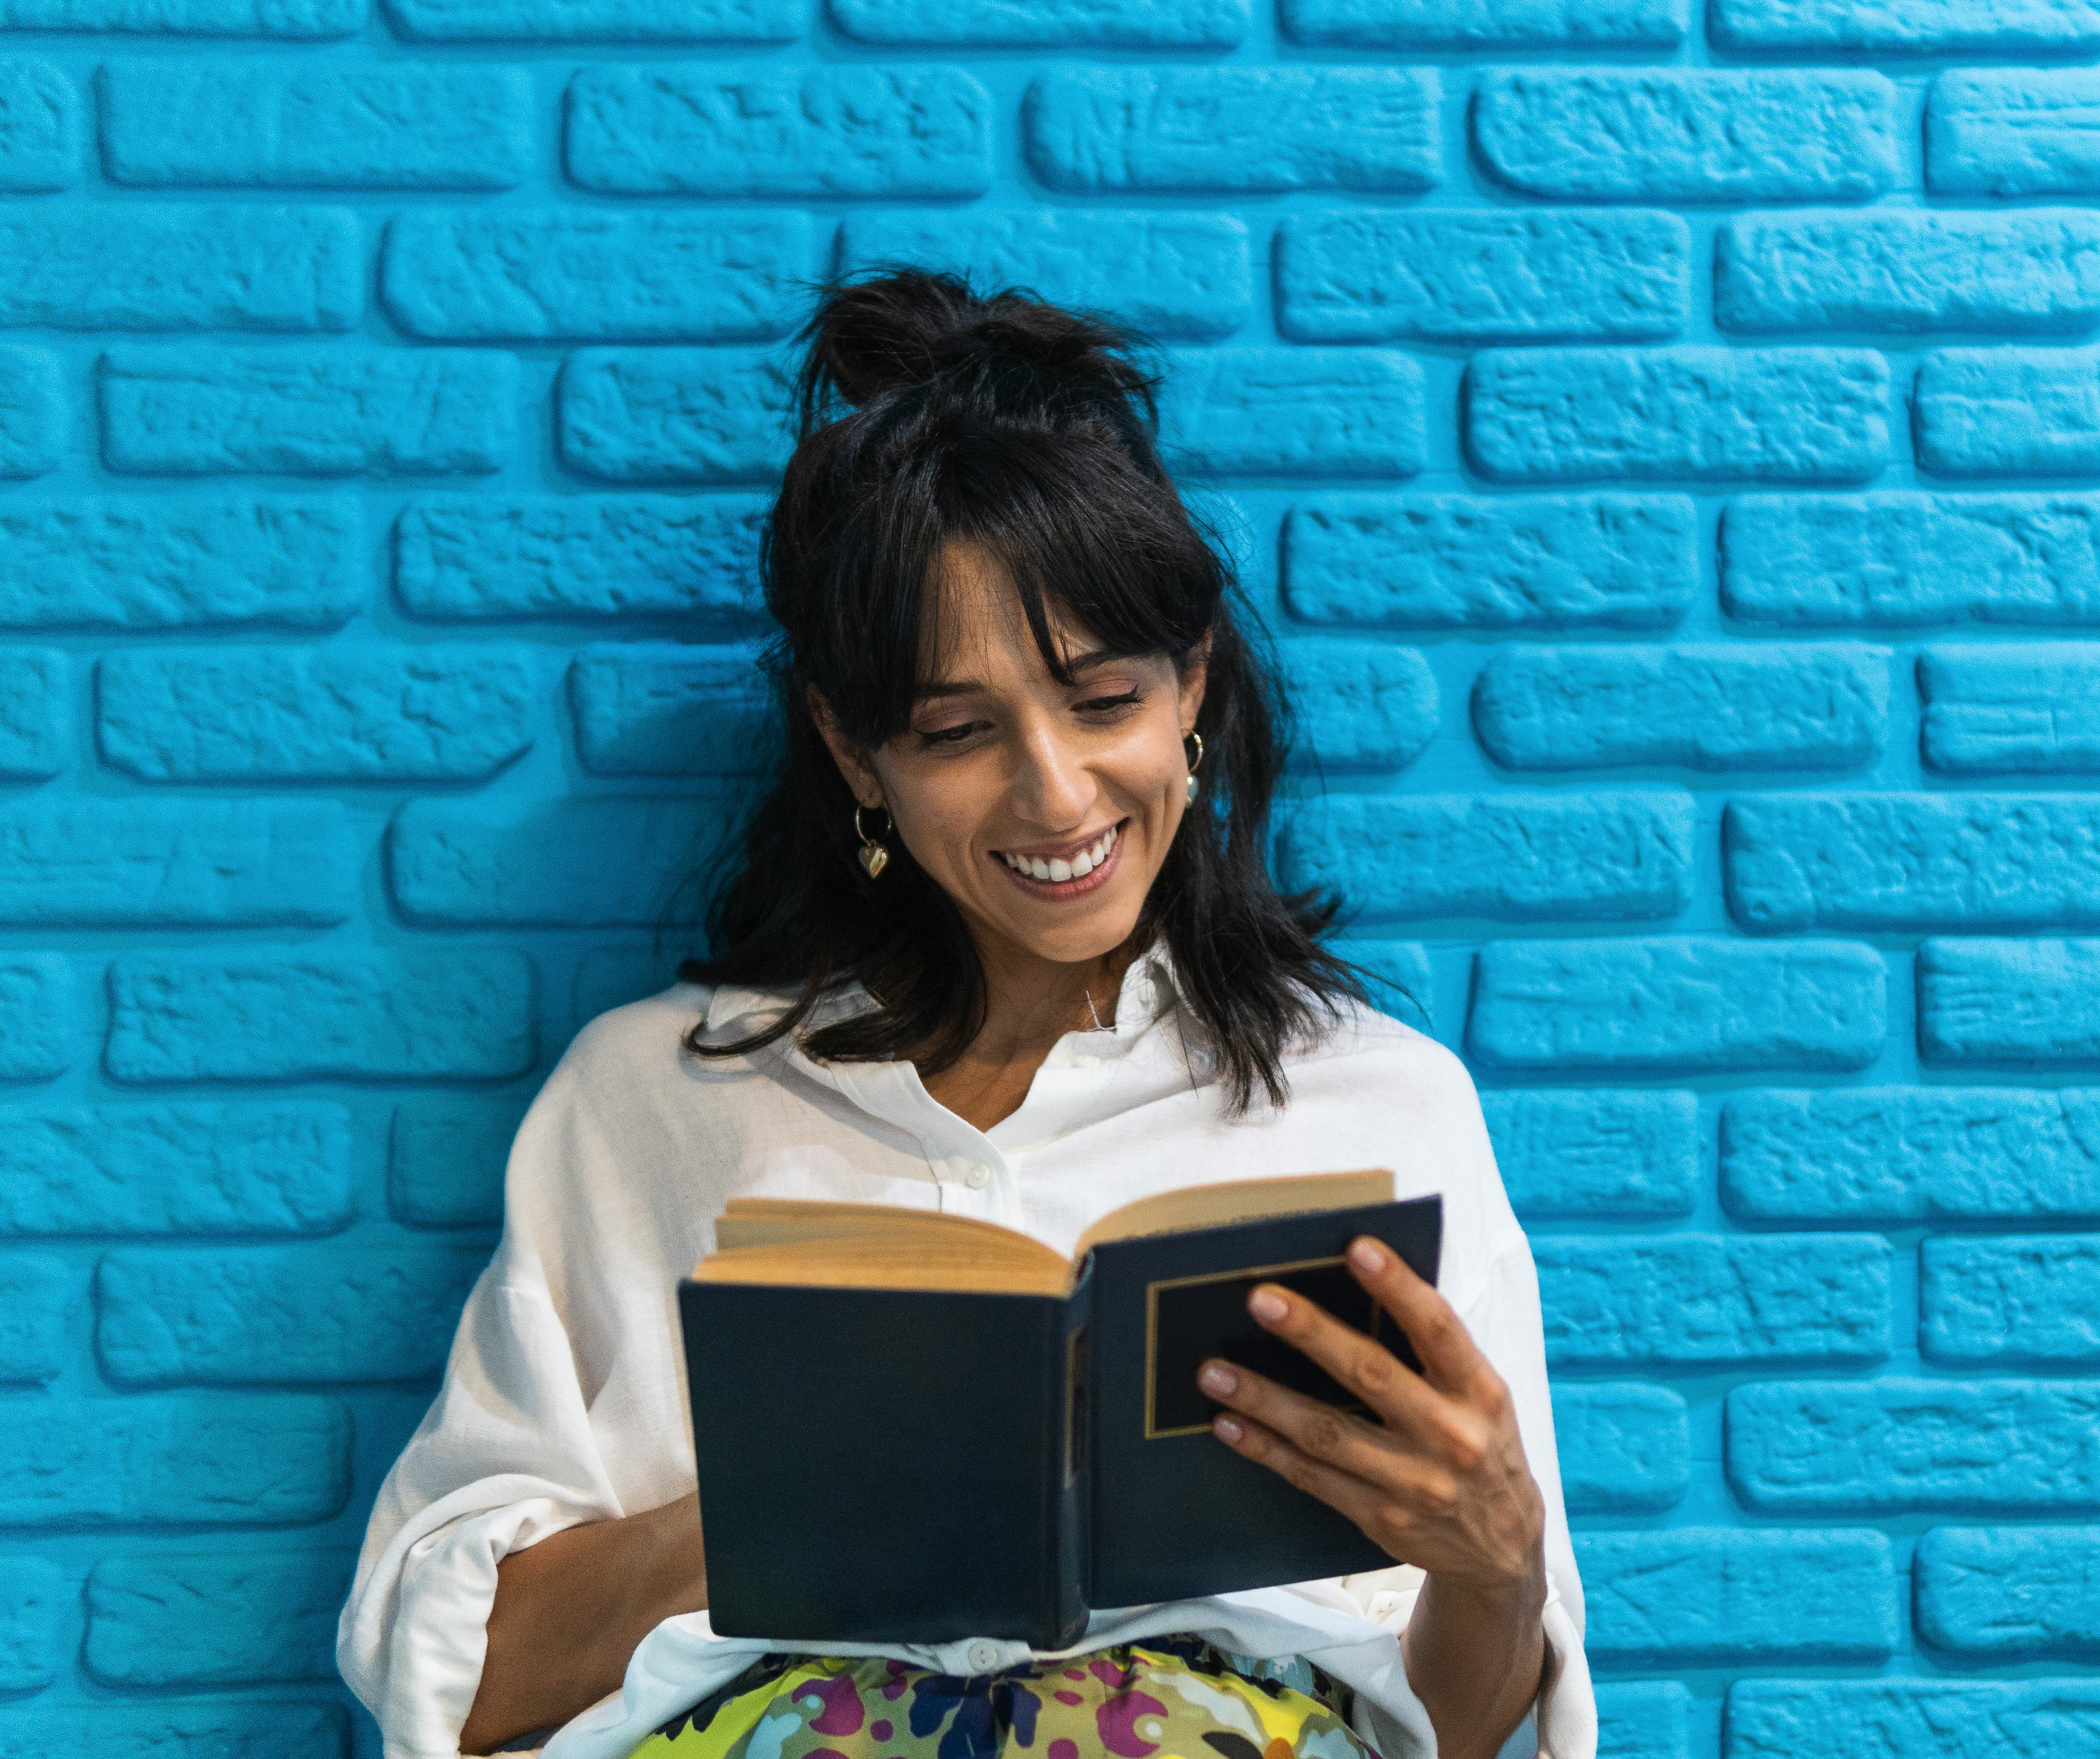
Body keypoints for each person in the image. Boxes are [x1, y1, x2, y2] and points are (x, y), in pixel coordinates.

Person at [337, 270, 1592, 1759]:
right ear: (853, 752)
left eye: (1103, 700)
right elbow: (454, 1687)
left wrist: (1497, 1560)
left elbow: (1449, 1731)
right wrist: (775, 1509)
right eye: (954, 731)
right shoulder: (654, 1102)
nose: (1054, 796)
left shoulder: (1381, 1110)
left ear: (1191, 690)